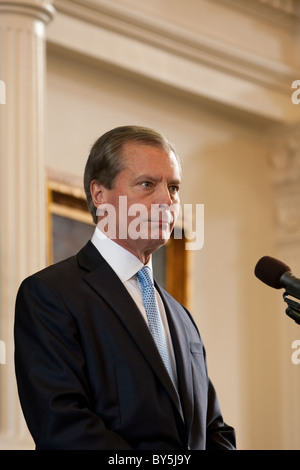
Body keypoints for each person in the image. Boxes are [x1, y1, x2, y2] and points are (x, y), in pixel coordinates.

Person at [14, 125, 236, 450]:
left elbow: (214, 430)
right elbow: (63, 428)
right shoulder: (51, 295)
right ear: (100, 195)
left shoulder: (181, 317)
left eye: (173, 187)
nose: (166, 201)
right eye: (147, 185)